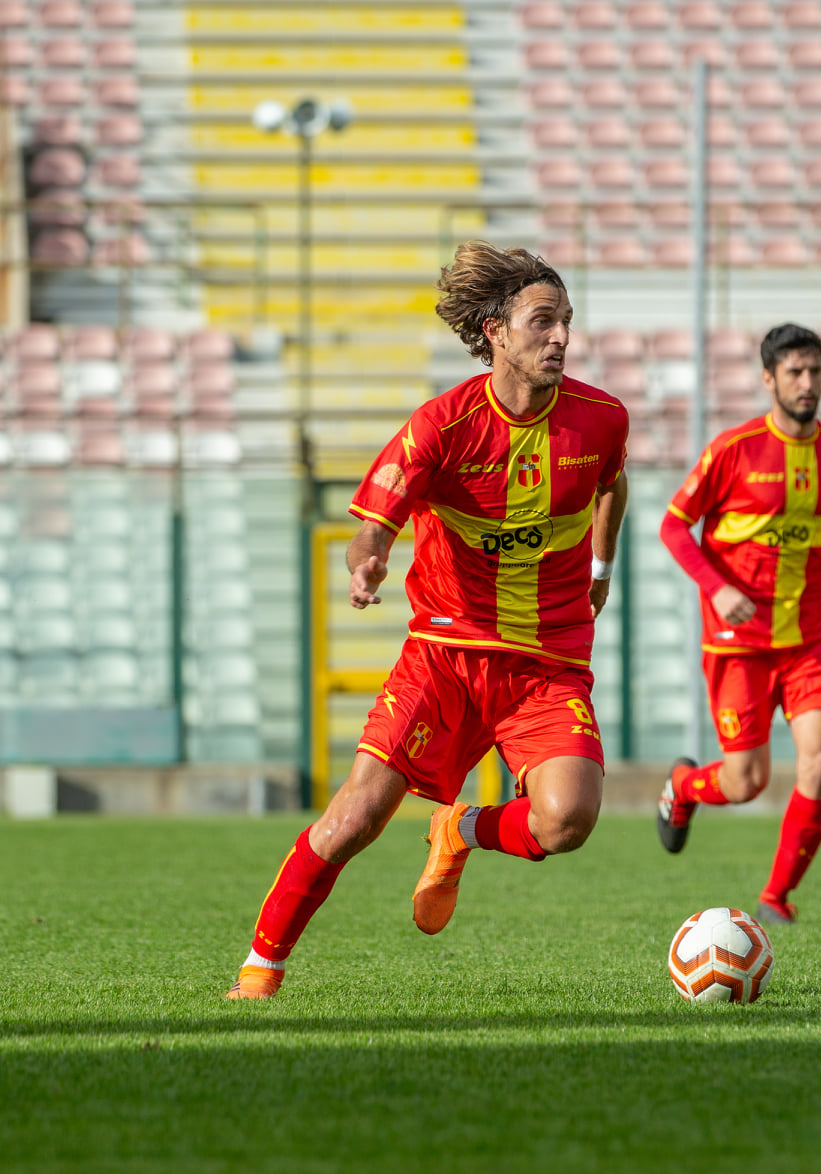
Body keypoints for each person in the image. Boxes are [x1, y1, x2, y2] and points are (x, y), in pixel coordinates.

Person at [226, 242, 629, 999]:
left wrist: (601, 569)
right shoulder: (440, 426)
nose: (561, 338)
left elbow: (612, 482)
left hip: (546, 661)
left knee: (567, 821)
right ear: (495, 332)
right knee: (354, 819)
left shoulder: (602, 419)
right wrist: (368, 561)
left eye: (567, 322)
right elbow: (373, 524)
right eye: (543, 322)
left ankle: (459, 828)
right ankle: (261, 968)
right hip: (446, 653)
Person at [654, 325, 821, 925]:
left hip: (810, 637)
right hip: (738, 642)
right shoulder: (733, 449)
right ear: (768, 379)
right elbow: (673, 526)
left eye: (815, 371)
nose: (807, 383)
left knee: (818, 761)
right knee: (745, 782)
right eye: (795, 372)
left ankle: (775, 898)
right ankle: (684, 787)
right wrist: (718, 588)